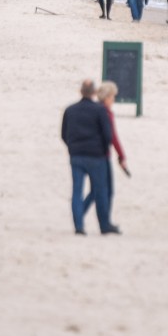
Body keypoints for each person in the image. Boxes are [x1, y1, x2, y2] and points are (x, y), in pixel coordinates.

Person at [60, 79, 118, 236]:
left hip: (76, 155)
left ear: (80, 92)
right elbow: (108, 135)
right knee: (100, 190)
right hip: (96, 156)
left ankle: (79, 225)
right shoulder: (99, 110)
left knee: (77, 191)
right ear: (94, 93)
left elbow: (64, 134)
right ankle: (104, 225)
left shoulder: (70, 110)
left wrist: (73, 147)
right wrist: (103, 149)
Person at [82, 82, 128, 225]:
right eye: (113, 96)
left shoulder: (94, 109)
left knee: (96, 189)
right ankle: (104, 221)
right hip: (102, 156)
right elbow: (112, 136)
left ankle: (80, 213)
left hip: (91, 153)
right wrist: (121, 156)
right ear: (107, 97)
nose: (114, 99)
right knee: (105, 190)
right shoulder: (105, 112)